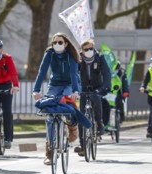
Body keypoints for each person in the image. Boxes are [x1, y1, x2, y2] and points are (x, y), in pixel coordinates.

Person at [32, 32, 80, 165]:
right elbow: (42, 71)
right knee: (50, 114)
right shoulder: (49, 53)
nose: (57, 44)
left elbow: (74, 74)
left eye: (60, 42)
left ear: (65, 44)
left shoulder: (71, 55)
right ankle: (49, 153)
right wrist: (36, 90)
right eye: (55, 42)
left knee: (67, 102)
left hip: (69, 84)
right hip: (54, 85)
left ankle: (72, 126)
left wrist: (75, 91)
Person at [73, 39, 110, 155]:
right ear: (81, 51)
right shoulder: (78, 60)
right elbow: (73, 74)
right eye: (86, 49)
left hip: (96, 87)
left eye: (90, 49)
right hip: (83, 88)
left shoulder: (100, 58)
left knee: (96, 99)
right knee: (81, 115)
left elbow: (106, 73)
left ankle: (99, 124)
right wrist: (74, 89)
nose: (89, 51)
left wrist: (105, 87)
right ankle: (82, 144)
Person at [0, 39, 19, 149]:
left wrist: (15, 85)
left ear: (1, 49)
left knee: (7, 111)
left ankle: (8, 138)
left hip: (6, 86)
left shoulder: (7, 58)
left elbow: (13, 72)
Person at [102, 61, 129, 131]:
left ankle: (120, 119)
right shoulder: (107, 73)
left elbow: (125, 84)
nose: (116, 70)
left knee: (119, 104)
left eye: (117, 68)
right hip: (107, 93)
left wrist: (126, 92)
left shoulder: (122, 74)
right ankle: (105, 123)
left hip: (117, 93)